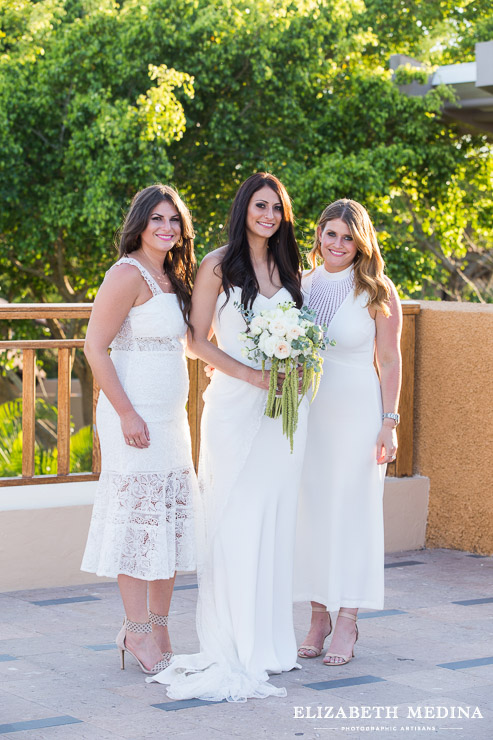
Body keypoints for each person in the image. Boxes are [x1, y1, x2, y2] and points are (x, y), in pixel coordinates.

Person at [148, 172, 309, 702]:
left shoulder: (290, 266)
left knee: (274, 519)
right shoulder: (218, 265)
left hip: (284, 414)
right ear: (244, 208)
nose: (269, 215)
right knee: (236, 520)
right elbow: (195, 342)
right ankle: (235, 639)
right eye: (260, 205)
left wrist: (300, 367)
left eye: (276, 208)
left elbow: (304, 335)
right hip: (236, 408)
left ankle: (269, 644)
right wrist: (252, 376)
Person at [81, 184, 198, 675]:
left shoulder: (174, 275)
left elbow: (191, 342)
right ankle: (137, 630)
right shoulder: (126, 274)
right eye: (157, 219)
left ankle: (159, 623)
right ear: (140, 224)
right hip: (134, 418)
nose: (166, 228)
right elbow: (95, 347)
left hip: (171, 421)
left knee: (166, 521)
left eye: (174, 220)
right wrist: (127, 412)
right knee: (137, 522)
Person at [294, 199, 402, 666]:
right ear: (318, 235)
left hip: (358, 413)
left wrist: (389, 423)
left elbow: (391, 360)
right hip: (308, 414)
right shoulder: (302, 284)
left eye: (347, 236)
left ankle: (349, 620)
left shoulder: (377, 291)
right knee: (313, 513)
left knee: (354, 514)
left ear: (361, 242)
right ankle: (318, 615)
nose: (337, 244)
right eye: (330, 234)